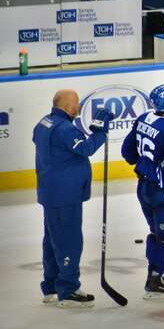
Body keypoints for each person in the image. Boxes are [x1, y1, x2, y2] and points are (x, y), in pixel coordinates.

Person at [34, 89, 114, 308]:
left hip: (50, 192)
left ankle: (51, 287)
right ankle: (68, 290)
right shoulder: (66, 129)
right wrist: (100, 131)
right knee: (68, 241)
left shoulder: (44, 122)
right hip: (64, 195)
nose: (78, 106)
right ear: (68, 106)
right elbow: (86, 148)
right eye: (77, 103)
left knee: (52, 240)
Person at [121, 85, 164, 300]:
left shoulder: (143, 118)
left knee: (156, 232)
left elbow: (127, 152)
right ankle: (154, 279)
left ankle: (154, 275)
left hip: (143, 187)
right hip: (163, 190)